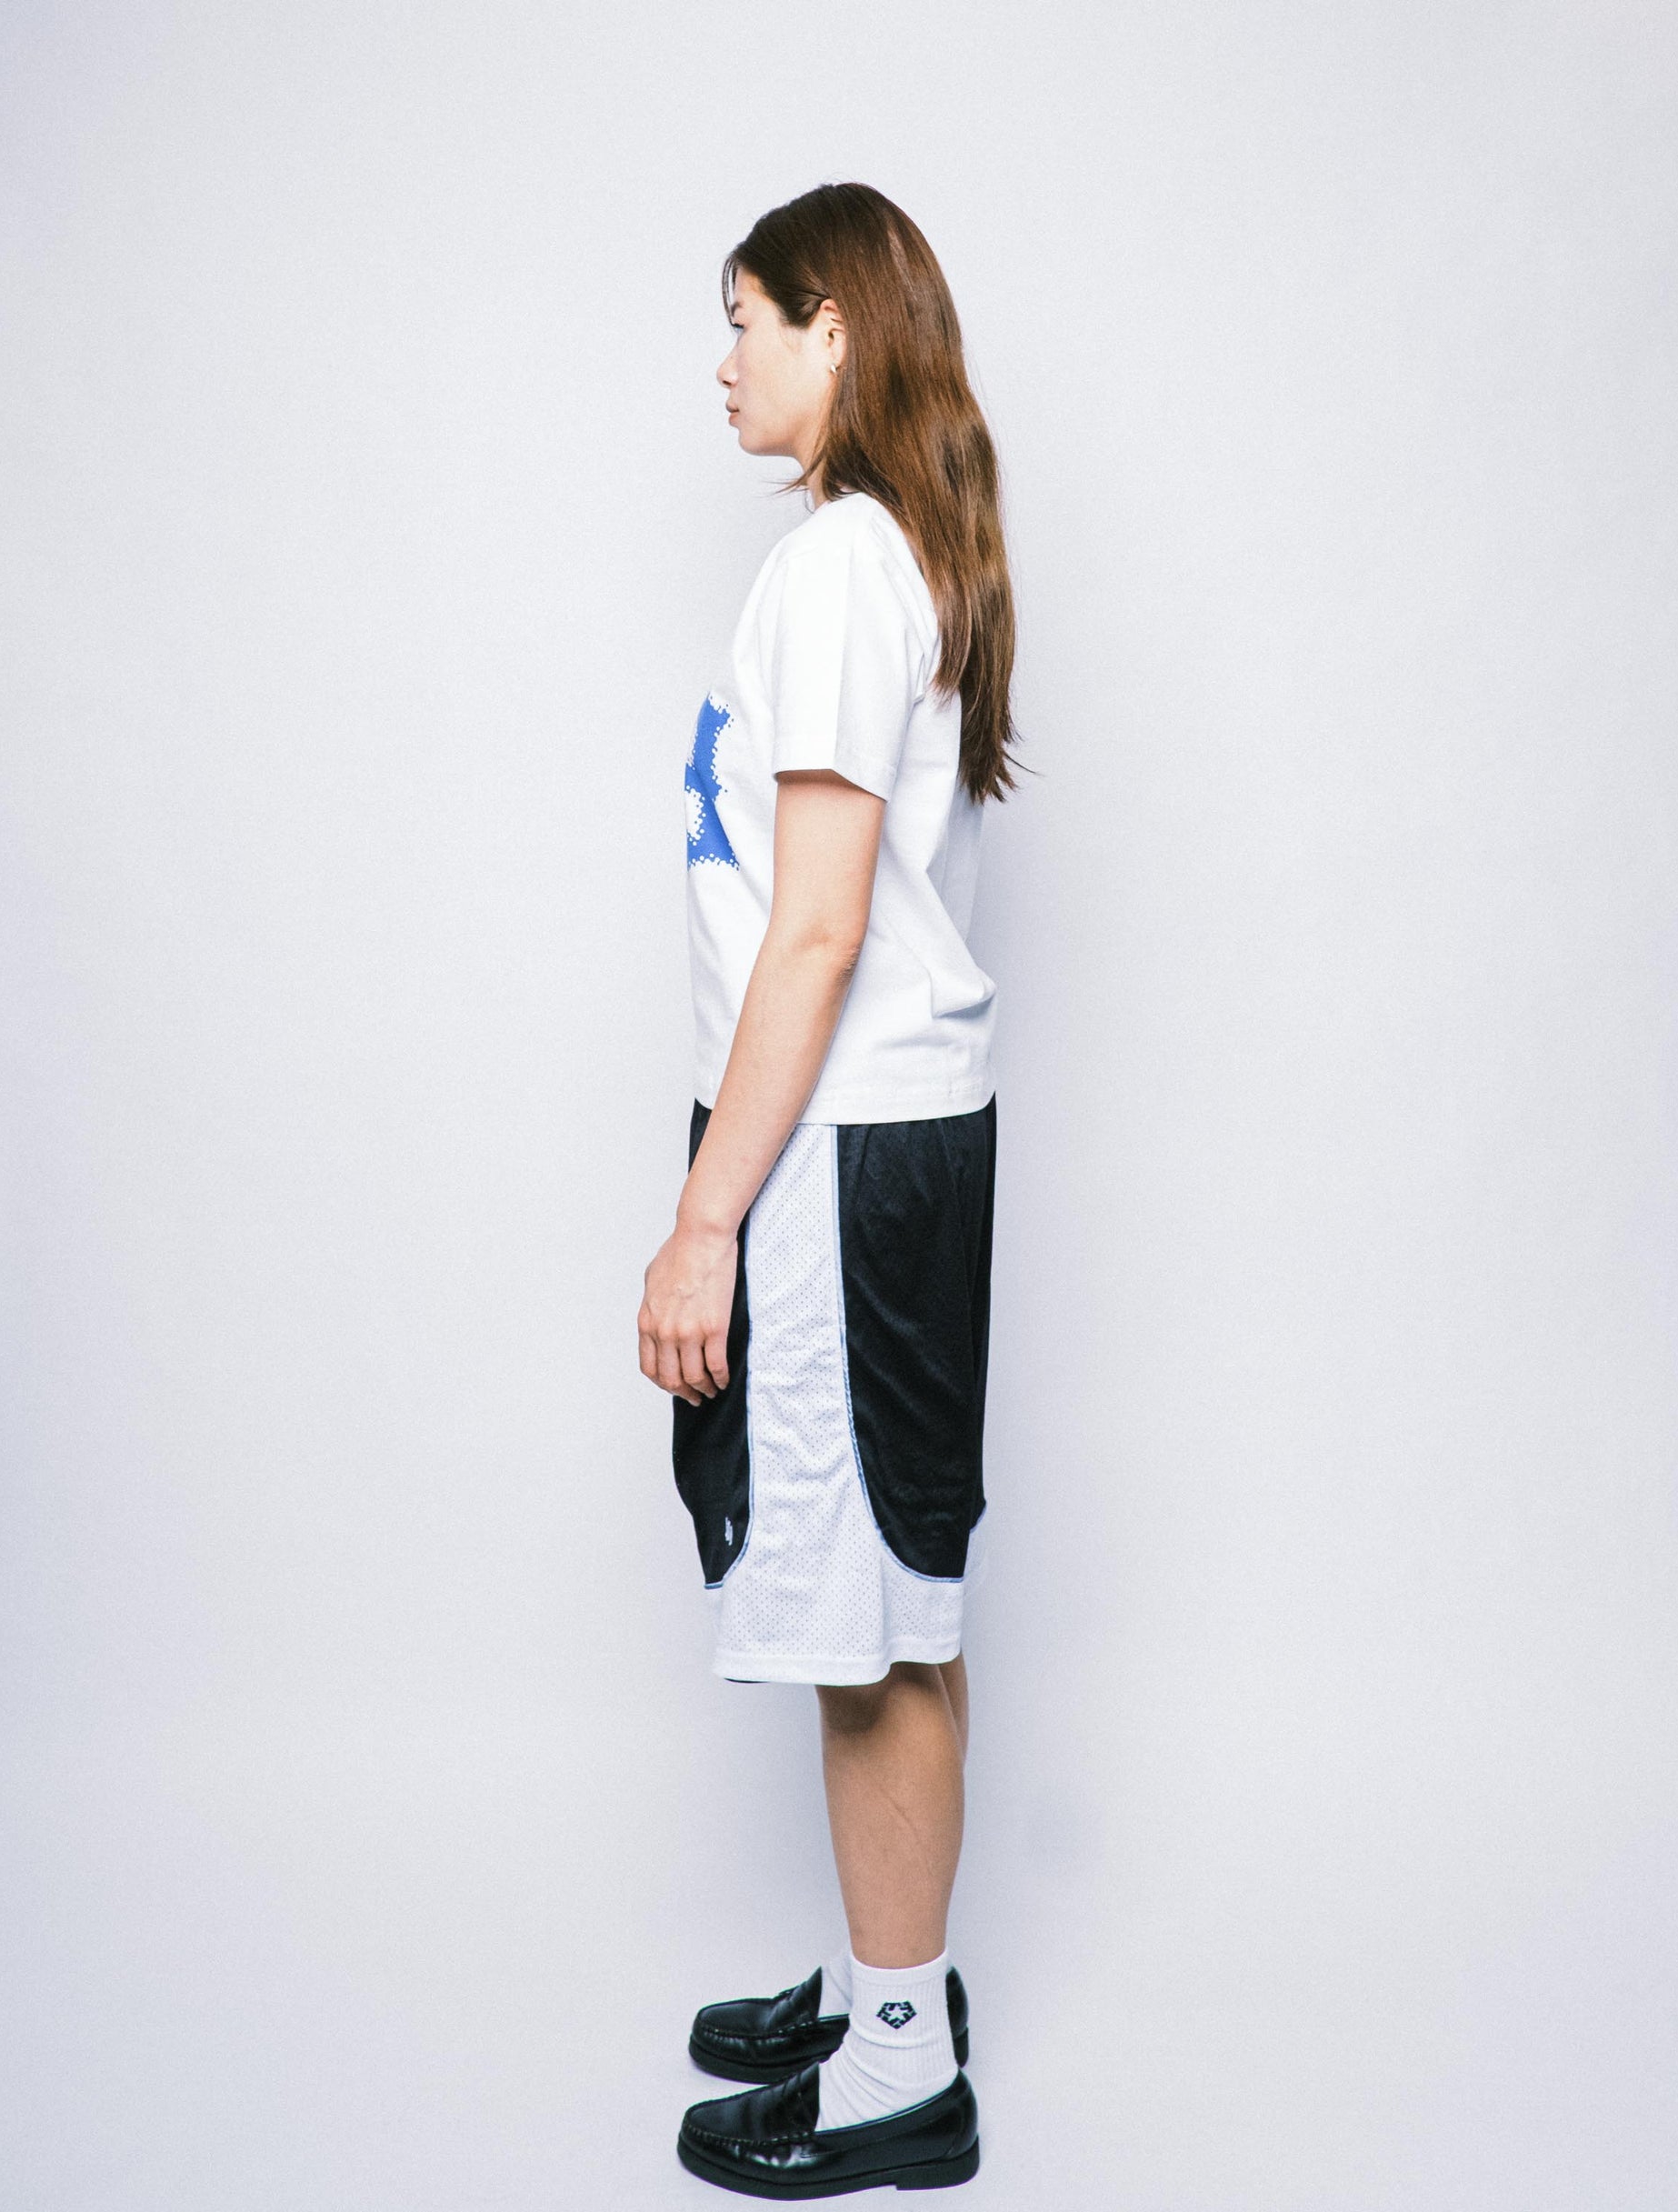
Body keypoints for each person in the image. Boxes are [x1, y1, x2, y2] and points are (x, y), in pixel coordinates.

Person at [637, 180, 1020, 2197]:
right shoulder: (879, 555)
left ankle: (897, 2069)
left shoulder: (838, 569)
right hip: (881, 1131)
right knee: (892, 1591)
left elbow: (814, 928)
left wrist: (706, 1212)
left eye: (748, 319)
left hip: (836, 1147)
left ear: (836, 330)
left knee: (866, 1618)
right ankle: (897, 1983)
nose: (724, 361)